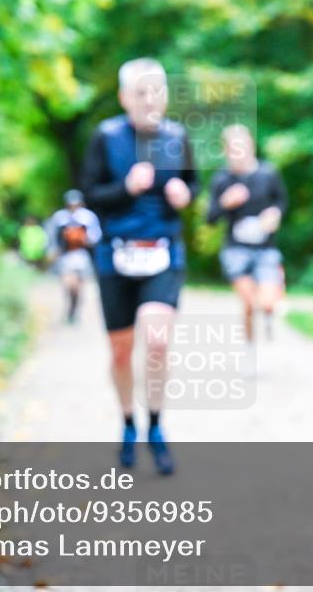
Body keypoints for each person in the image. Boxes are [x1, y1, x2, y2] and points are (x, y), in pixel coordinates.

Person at [80, 57, 199, 475]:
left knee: (157, 339)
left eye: (157, 91)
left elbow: (193, 182)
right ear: (124, 97)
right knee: (121, 350)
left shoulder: (177, 136)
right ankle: (129, 422)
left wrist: (185, 193)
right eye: (141, 93)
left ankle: (156, 424)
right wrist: (125, 188)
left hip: (163, 251)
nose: (150, 100)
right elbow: (90, 194)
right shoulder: (106, 136)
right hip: (115, 252)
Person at [206, 124, 288, 342]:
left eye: (242, 145)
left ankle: (270, 313)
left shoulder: (268, 173)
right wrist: (225, 203)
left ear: (251, 145)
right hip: (236, 250)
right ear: (226, 150)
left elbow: (281, 202)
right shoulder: (222, 179)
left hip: (265, 248)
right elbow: (210, 218)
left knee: (267, 302)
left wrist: (274, 214)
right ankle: (250, 346)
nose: (238, 152)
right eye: (233, 148)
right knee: (249, 302)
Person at [45, 190, 102, 324]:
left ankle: (75, 311)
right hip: (65, 256)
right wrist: (53, 251)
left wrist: (83, 238)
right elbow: (51, 236)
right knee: (68, 284)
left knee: (78, 288)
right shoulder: (60, 218)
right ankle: (69, 307)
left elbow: (96, 236)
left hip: (81, 256)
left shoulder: (88, 217)